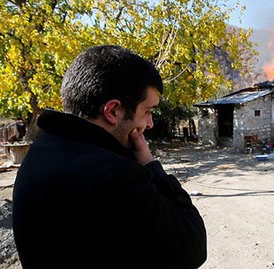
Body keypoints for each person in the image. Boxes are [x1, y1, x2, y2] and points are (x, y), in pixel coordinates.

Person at [12, 45, 207, 268]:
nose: (150, 123)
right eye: (147, 111)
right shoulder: (115, 175)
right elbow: (192, 247)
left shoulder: (43, 148)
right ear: (113, 111)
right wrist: (151, 164)